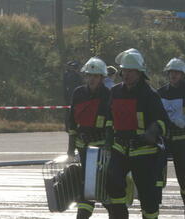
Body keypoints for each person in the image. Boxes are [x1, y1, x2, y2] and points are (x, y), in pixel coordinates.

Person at [106, 49, 168, 219]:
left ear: (140, 73)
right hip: (120, 149)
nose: (126, 75)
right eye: (124, 71)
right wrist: (107, 140)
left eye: (130, 71)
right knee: (113, 184)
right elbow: (110, 117)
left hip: (144, 152)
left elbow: (162, 121)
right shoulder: (115, 92)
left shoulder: (150, 95)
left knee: (148, 196)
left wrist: (152, 131)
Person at [66, 57, 111, 219]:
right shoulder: (78, 93)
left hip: (101, 149)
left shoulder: (108, 95)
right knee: (87, 185)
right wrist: (70, 150)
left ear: (102, 78)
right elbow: (71, 122)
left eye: (96, 76)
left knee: (103, 184)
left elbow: (112, 123)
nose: (92, 79)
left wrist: (108, 146)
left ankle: (115, 213)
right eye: (89, 75)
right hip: (83, 147)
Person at [157, 58, 185, 219]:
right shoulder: (161, 92)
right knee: (155, 174)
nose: (173, 75)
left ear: (183, 75)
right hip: (163, 140)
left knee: (184, 175)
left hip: (182, 140)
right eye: (171, 72)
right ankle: (153, 206)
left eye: (176, 73)